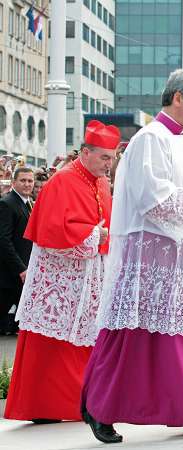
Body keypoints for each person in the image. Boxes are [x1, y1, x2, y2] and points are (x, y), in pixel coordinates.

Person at [81, 70, 183, 444]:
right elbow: (150, 198)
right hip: (153, 260)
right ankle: (98, 405)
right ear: (177, 98)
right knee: (133, 337)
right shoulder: (149, 140)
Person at [4, 120, 119, 423]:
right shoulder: (62, 181)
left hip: (89, 276)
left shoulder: (102, 182)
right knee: (52, 343)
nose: (110, 164)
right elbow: (55, 230)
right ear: (85, 152)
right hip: (59, 281)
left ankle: (80, 402)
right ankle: (44, 407)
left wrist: (105, 237)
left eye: (112, 157)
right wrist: (96, 235)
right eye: (104, 157)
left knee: (84, 340)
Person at [0, 167, 34, 335]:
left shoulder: (28, 202)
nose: (27, 184)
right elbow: (3, 241)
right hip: (10, 274)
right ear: (14, 182)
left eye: (30, 181)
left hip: (23, 271)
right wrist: (21, 268)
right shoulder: (7, 203)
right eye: (23, 180)